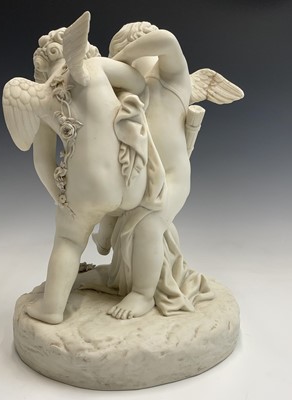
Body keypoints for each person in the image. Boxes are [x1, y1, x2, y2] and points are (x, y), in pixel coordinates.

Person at [91, 22, 211, 320]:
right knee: (110, 205)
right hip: (137, 176)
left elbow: (167, 40)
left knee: (148, 226)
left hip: (171, 178)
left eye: (117, 54)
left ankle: (142, 294)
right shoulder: (128, 91)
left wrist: (119, 59)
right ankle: (106, 248)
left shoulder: (172, 76)